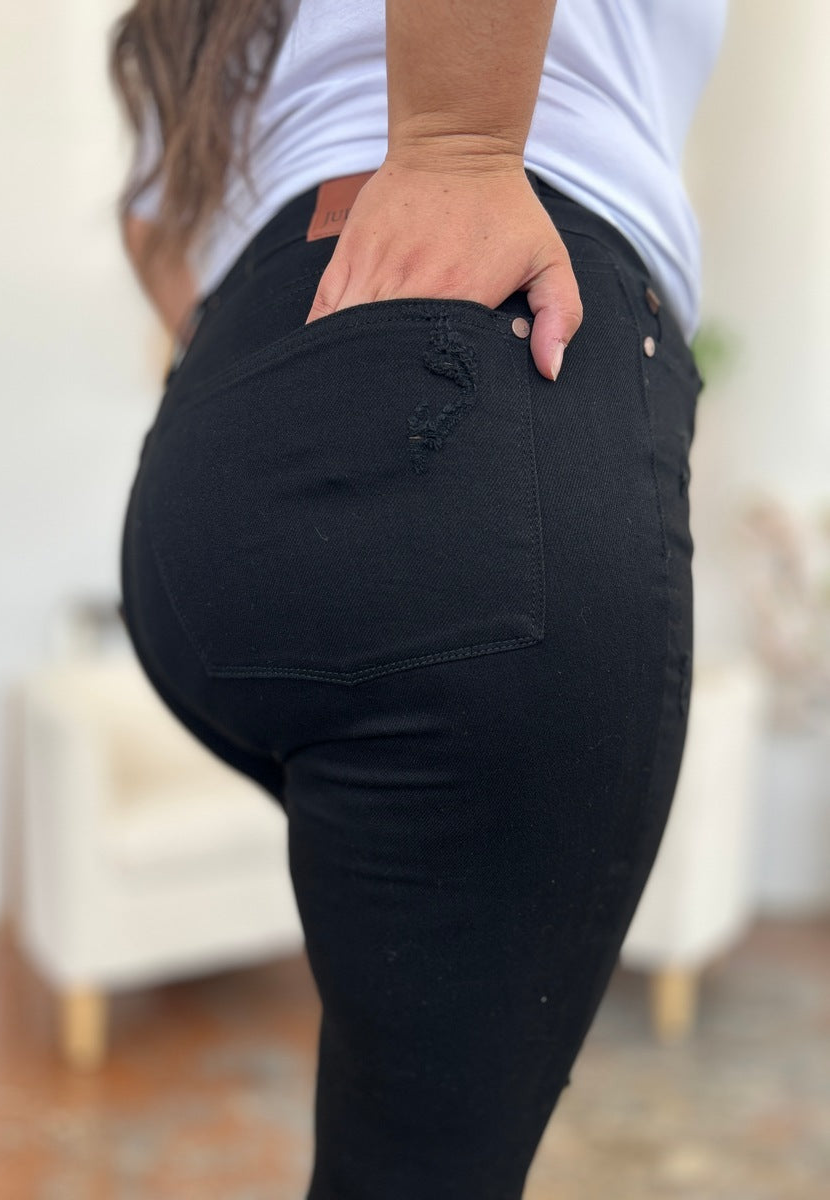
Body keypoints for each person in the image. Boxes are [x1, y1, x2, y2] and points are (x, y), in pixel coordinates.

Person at [111, 2, 726, 1196]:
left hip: (212, 500)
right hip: (486, 436)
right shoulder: (464, 143)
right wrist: (458, 147)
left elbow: (155, 229)